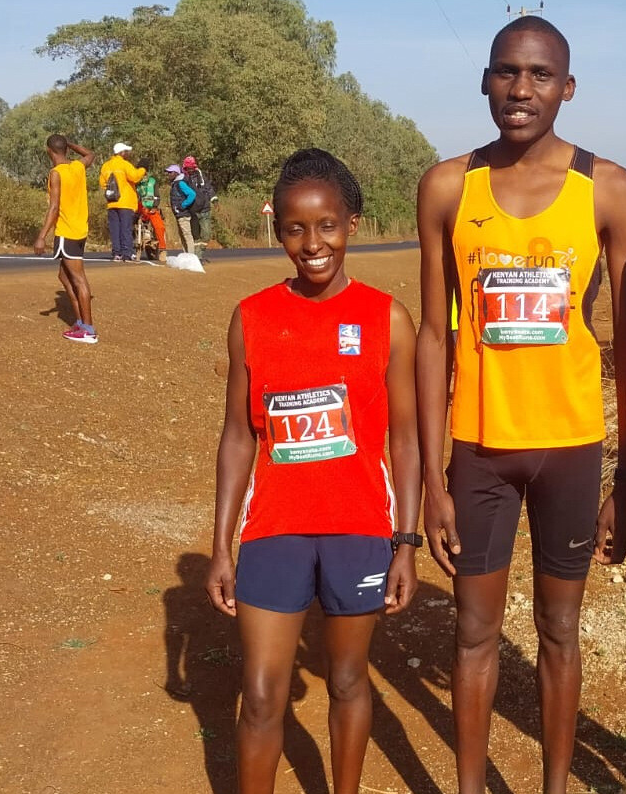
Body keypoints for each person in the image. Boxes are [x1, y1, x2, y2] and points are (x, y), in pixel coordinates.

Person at [414, 17, 626, 794]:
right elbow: (433, 337)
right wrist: (431, 479)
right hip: (478, 447)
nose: (521, 89)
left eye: (540, 75)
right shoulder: (449, 187)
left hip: (570, 447)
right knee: (474, 632)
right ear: (485, 80)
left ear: (567, 88)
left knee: (559, 630)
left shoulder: (607, 189)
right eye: (506, 72)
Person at [206, 148, 420, 794]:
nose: (312, 243)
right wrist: (221, 546)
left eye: (327, 225)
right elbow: (238, 437)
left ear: (351, 223)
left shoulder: (387, 318)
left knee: (348, 679)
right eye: (295, 229)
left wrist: (406, 543)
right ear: (278, 231)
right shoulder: (252, 317)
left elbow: (407, 440)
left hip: (360, 527)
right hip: (275, 529)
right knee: (261, 693)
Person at [33, 134, 97, 343]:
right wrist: (68, 143)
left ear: (48, 151)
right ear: (66, 149)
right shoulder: (77, 167)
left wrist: (42, 236)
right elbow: (90, 154)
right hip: (79, 230)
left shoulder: (56, 173)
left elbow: (54, 207)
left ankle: (88, 329)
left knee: (79, 280)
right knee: (64, 276)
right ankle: (80, 322)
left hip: (67, 231)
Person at [98, 141, 145, 261]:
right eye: (126, 151)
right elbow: (135, 177)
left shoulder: (106, 166)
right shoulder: (125, 164)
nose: (128, 153)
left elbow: (102, 183)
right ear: (122, 153)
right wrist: (142, 169)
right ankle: (127, 252)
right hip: (125, 202)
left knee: (115, 229)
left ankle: (116, 253)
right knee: (126, 228)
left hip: (112, 202)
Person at [182, 155, 215, 257]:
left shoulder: (201, 176)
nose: (190, 170)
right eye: (188, 168)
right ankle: (197, 257)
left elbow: (208, 188)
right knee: (195, 236)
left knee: (206, 234)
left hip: (205, 209)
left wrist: (214, 199)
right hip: (193, 211)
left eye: (192, 168)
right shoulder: (183, 179)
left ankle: (199, 252)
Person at [165, 164, 197, 255]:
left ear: (176, 173)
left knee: (187, 235)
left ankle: (191, 256)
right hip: (179, 214)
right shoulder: (175, 184)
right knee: (182, 236)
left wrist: (183, 205)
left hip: (183, 214)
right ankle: (186, 255)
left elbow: (192, 194)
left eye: (170, 172)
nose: (168, 174)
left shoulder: (180, 183)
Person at [136, 167, 166, 258]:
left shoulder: (152, 181)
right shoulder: (136, 183)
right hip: (141, 209)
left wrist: (154, 206)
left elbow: (157, 196)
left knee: (159, 226)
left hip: (152, 208)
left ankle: (162, 249)